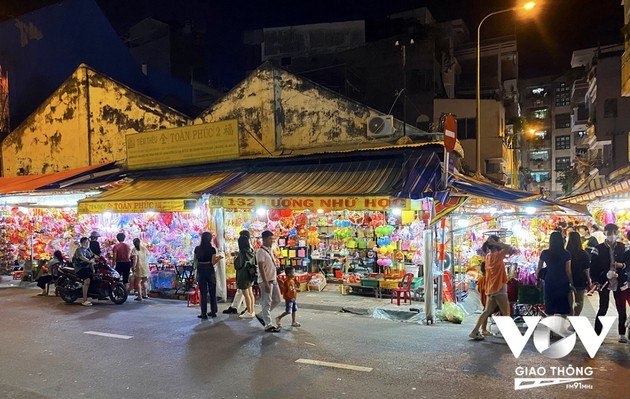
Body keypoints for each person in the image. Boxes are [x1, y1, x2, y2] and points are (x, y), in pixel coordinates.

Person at [469, 235, 515, 340]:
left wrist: (494, 243)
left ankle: (475, 331)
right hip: (499, 287)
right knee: (506, 312)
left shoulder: (488, 257)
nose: (501, 243)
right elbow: (509, 247)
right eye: (499, 241)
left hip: (491, 288)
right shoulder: (497, 255)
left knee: (487, 311)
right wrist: (495, 243)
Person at [590, 223, 628, 343]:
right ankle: (597, 334)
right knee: (603, 308)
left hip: (620, 281)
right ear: (605, 233)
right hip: (604, 282)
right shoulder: (598, 248)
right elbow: (593, 267)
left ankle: (622, 334)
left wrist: (622, 266)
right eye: (609, 233)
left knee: (621, 308)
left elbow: (629, 263)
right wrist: (596, 281)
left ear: (617, 234)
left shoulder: (623, 247)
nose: (612, 235)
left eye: (614, 233)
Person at [537, 231, 573, 316]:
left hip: (549, 280)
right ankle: (560, 326)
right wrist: (571, 282)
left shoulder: (545, 252)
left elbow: (539, 268)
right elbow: (568, 271)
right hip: (563, 281)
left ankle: (552, 327)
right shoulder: (566, 253)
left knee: (550, 306)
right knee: (563, 306)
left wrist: (537, 279)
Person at [225, 230, 256, 318]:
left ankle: (249, 312)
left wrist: (235, 258)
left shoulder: (242, 253)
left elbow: (237, 265)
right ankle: (252, 310)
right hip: (250, 274)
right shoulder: (251, 251)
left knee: (246, 294)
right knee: (250, 293)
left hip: (243, 276)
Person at [255, 230, 282, 333]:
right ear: (265, 239)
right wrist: (265, 282)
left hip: (273, 279)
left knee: (277, 299)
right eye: (270, 239)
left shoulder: (269, 250)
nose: (272, 241)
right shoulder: (260, 251)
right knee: (266, 302)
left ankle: (262, 315)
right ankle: (268, 324)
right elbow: (261, 268)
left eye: (272, 239)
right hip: (266, 280)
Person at [193, 232, 223, 319]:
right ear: (210, 239)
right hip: (209, 270)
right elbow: (213, 262)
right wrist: (219, 258)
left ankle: (203, 313)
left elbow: (195, 261)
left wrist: (195, 272)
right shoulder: (212, 249)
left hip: (201, 270)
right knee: (212, 292)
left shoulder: (197, 249)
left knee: (203, 293)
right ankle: (213, 312)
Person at [566, 232, 591, 316]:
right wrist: (589, 280)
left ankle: (571, 317)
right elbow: (586, 269)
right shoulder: (583, 253)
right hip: (580, 279)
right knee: (579, 301)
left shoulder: (565, 253)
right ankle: (575, 317)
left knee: (569, 302)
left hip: (567, 279)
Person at [73, 237, 95, 306]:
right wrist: (90, 261)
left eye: (88, 242)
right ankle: (84, 300)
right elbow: (82, 257)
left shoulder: (88, 250)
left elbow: (93, 258)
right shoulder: (79, 250)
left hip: (87, 267)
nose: (87, 243)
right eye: (85, 242)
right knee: (87, 281)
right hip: (80, 268)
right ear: (82, 243)